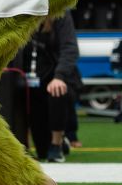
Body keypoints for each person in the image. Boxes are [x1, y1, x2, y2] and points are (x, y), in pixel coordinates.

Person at [9, 14, 82, 163]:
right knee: (42, 150)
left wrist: (59, 76)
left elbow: (70, 48)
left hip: (56, 79)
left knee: (57, 91)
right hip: (31, 81)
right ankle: (23, 144)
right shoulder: (20, 15)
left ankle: (57, 144)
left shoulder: (61, 15)